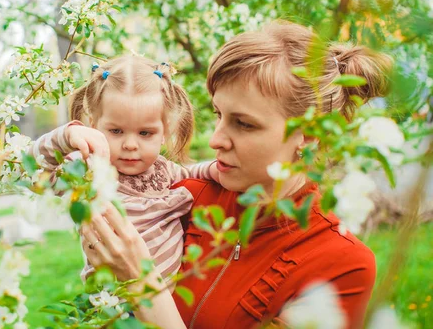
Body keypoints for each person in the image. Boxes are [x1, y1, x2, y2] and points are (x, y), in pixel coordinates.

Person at [79, 21, 392, 328]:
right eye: (218, 114)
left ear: (307, 136)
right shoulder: (185, 197)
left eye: (244, 124)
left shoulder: (342, 266)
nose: (216, 139)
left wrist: (143, 285)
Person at [29, 55, 219, 281]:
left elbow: (196, 173)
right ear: (93, 125)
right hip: (117, 300)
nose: (130, 144)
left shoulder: (164, 170)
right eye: (116, 131)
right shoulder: (88, 169)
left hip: (171, 301)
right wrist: (65, 136)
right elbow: (35, 173)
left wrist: (220, 169)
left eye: (145, 133)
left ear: (164, 133)